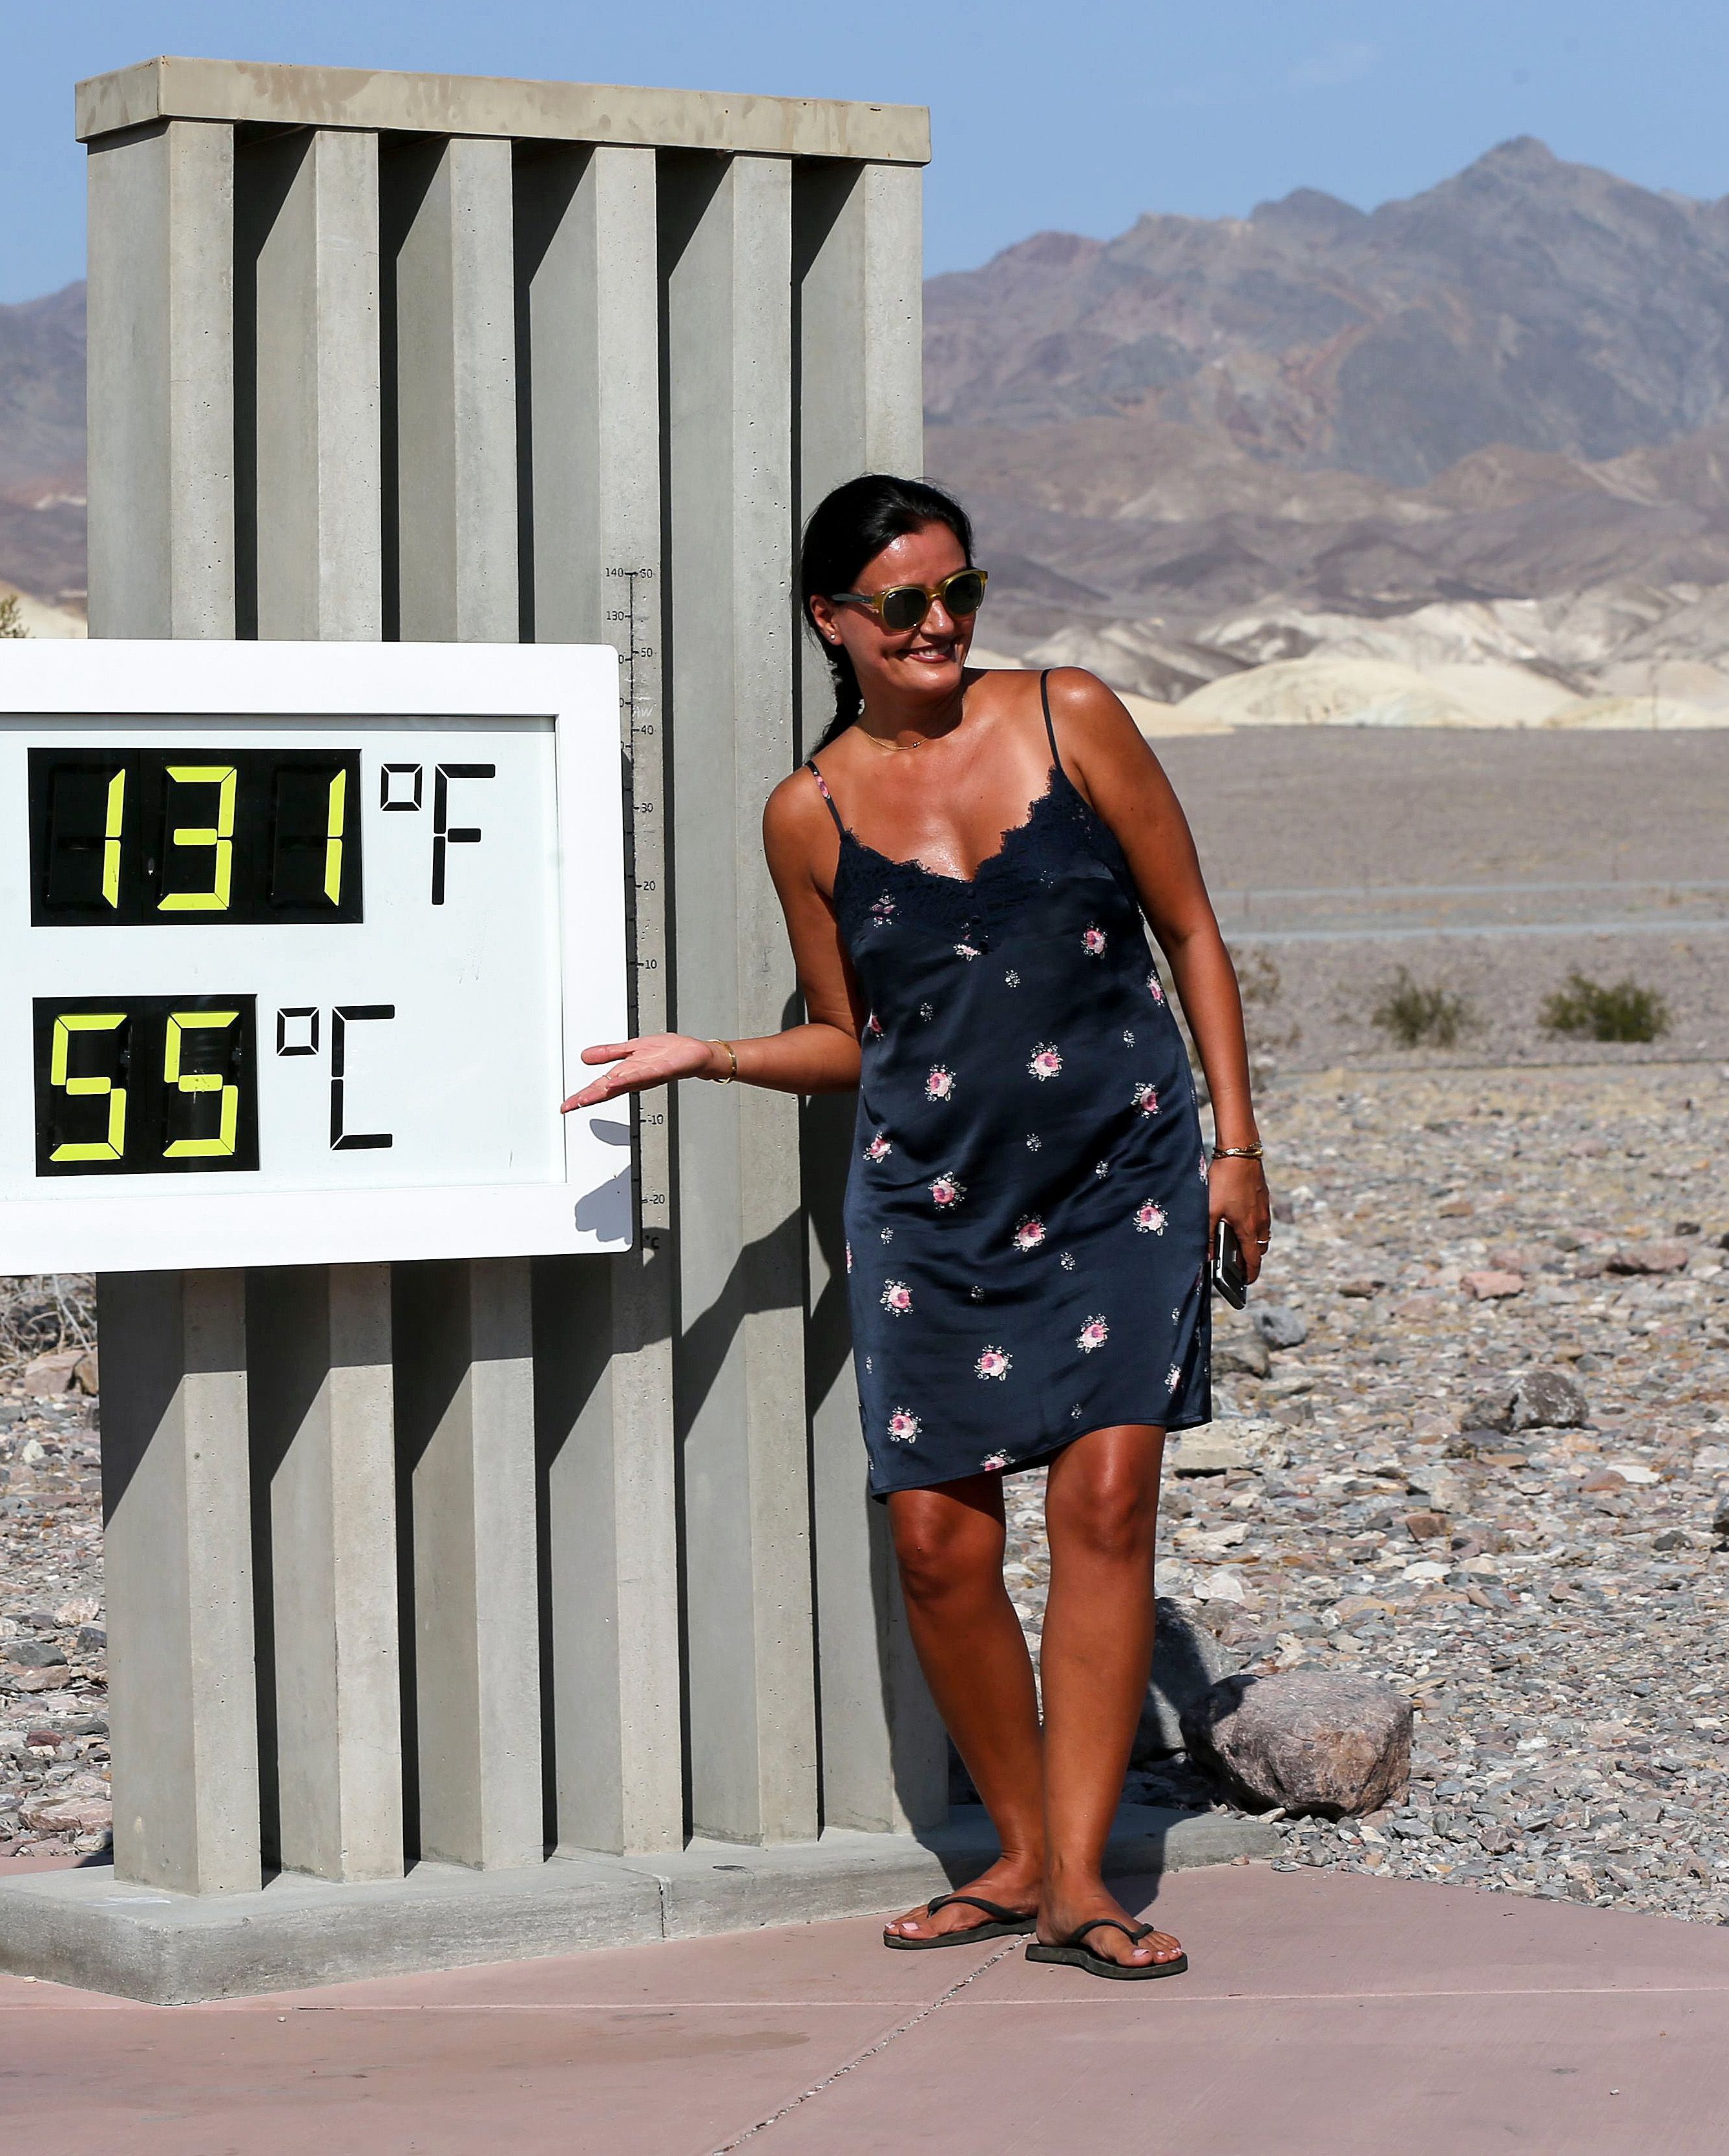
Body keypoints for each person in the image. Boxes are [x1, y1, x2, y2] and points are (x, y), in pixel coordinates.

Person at [563, 476, 1270, 1980]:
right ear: (835, 622)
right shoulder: (806, 813)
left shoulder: (1073, 715)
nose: (940, 622)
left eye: (961, 592)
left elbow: (1191, 927)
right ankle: (1016, 1849)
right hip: (928, 1202)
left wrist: (1237, 1143)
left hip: (1121, 1173)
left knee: (1105, 1504)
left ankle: (1083, 1881)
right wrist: (711, 1056)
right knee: (940, 1543)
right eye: (904, 604)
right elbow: (848, 1035)